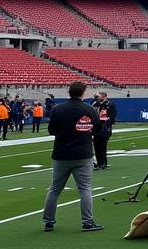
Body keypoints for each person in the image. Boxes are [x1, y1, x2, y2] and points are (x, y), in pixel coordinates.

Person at [41, 81, 102, 233]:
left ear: (69, 92)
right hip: (83, 153)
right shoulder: (89, 109)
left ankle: (48, 222)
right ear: (83, 93)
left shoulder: (58, 109)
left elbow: (51, 130)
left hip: (61, 153)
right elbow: (97, 129)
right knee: (85, 189)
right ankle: (87, 222)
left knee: (54, 189)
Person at [91, 91, 116, 170]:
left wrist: (107, 120)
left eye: (99, 96)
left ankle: (103, 163)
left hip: (105, 128)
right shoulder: (96, 104)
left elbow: (112, 116)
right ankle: (99, 162)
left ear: (104, 96)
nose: (98, 98)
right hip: (97, 128)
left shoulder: (110, 105)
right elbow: (92, 108)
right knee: (96, 146)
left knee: (102, 146)